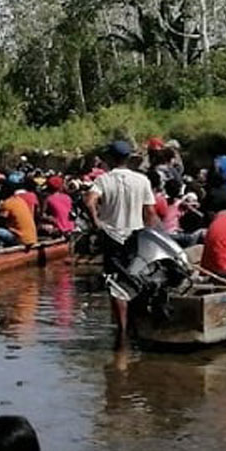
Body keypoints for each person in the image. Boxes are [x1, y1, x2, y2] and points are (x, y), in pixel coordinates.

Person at [84, 141, 157, 341]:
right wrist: (147, 233)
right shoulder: (142, 180)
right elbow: (150, 211)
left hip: (112, 237)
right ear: (128, 158)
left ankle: (122, 330)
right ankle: (138, 325)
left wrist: (96, 222)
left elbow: (89, 201)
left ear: (109, 159)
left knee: (115, 283)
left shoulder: (103, 180)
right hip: (136, 238)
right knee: (136, 278)